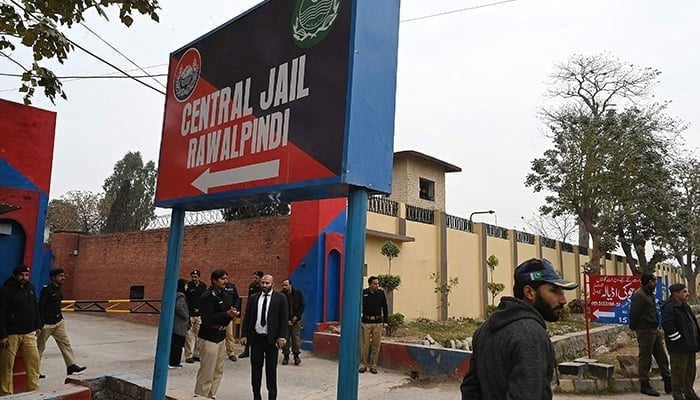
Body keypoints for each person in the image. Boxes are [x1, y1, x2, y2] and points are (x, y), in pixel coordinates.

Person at [460, 258, 578, 400]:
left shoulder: (484, 329)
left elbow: (470, 389)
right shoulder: (532, 334)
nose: (563, 300)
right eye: (554, 291)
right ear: (529, 292)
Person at [240, 274, 289, 400]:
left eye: (267, 283)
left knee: (271, 370)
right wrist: (244, 334)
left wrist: (282, 336)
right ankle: (256, 396)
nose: (264, 285)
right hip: (256, 339)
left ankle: (272, 396)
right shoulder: (254, 298)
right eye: (263, 283)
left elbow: (284, 319)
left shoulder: (280, 298)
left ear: (272, 284)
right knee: (256, 370)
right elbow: (248, 317)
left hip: (272, 340)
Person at [194, 269, 236, 399]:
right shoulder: (207, 295)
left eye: (226, 278)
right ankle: (201, 396)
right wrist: (226, 314)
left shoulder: (226, 295)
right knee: (207, 371)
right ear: (214, 280)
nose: (225, 281)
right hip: (209, 336)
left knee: (218, 370)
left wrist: (231, 314)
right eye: (222, 279)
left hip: (221, 336)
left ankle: (211, 395)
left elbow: (229, 310)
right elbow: (207, 318)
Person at [0, 265, 42, 395]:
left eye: (26, 275)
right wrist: (2, 335)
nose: (24, 278)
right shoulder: (6, 290)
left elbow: (35, 307)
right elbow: (0, 313)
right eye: (21, 275)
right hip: (11, 334)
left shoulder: (31, 288)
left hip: (29, 332)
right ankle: (6, 394)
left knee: (34, 363)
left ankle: (33, 391)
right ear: (15, 275)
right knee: (6, 366)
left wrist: (38, 325)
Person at [38, 268, 87, 377]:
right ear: (53, 278)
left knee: (65, 343)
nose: (63, 278)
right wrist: (40, 324)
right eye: (60, 276)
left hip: (58, 322)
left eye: (63, 275)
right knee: (39, 348)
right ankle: (34, 371)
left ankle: (71, 365)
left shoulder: (58, 289)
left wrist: (61, 318)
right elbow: (41, 307)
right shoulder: (47, 290)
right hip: (47, 324)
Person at [629, 273, 671, 396]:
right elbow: (634, 313)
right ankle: (644, 384)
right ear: (647, 282)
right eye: (653, 281)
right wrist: (635, 327)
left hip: (654, 329)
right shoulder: (639, 295)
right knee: (645, 358)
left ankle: (668, 381)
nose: (655, 283)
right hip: (644, 330)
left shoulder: (649, 294)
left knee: (662, 356)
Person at [661, 283, 700, 400]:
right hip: (679, 348)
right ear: (675, 294)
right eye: (684, 292)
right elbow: (668, 326)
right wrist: (679, 341)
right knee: (679, 372)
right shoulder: (669, 307)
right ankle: (678, 395)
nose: (687, 294)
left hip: (690, 345)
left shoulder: (684, 306)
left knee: (690, 371)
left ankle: (689, 392)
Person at [359, 275, 388, 374]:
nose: (377, 285)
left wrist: (386, 322)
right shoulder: (364, 293)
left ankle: (373, 365)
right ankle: (363, 364)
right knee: (365, 345)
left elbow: (385, 307)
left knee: (376, 345)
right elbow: (360, 307)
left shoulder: (381, 293)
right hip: (366, 323)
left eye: (378, 284)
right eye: (375, 284)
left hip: (378, 323)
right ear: (370, 284)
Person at [239, 270, 264, 359]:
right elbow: (249, 299)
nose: (254, 279)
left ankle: (261, 350)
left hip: (260, 311)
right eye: (254, 277)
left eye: (256, 278)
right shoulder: (251, 286)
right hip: (251, 310)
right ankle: (246, 350)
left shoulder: (263, 288)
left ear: (261, 278)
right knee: (249, 330)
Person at [184, 269, 207, 364]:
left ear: (199, 277)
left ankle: (197, 354)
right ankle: (189, 355)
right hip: (190, 314)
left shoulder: (203, 286)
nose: (194, 278)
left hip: (199, 315)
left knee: (199, 335)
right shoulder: (188, 286)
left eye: (196, 277)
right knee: (189, 336)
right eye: (192, 277)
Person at [281, 278, 305, 366]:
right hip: (285, 321)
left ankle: (296, 356)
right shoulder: (281, 295)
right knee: (285, 338)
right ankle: (286, 356)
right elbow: (280, 309)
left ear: (290, 285)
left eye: (286, 285)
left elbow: (302, 305)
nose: (284, 287)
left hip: (296, 319)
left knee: (295, 337)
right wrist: (287, 320)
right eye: (283, 285)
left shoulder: (297, 293)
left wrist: (296, 317)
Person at [169, 278, 189, 369]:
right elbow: (179, 307)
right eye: (185, 285)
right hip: (179, 325)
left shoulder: (175, 294)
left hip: (175, 324)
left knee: (174, 343)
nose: (187, 287)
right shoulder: (181, 296)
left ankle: (172, 361)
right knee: (177, 344)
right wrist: (186, 316)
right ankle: (174, 362)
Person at [224, 280, 241, 362]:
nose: (225, 280)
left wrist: (235, 308)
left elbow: (236, 298)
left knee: (229, 335)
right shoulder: (216, 288)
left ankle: (231, 353)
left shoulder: (231, 286)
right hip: (219, 315)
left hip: (228, 316)